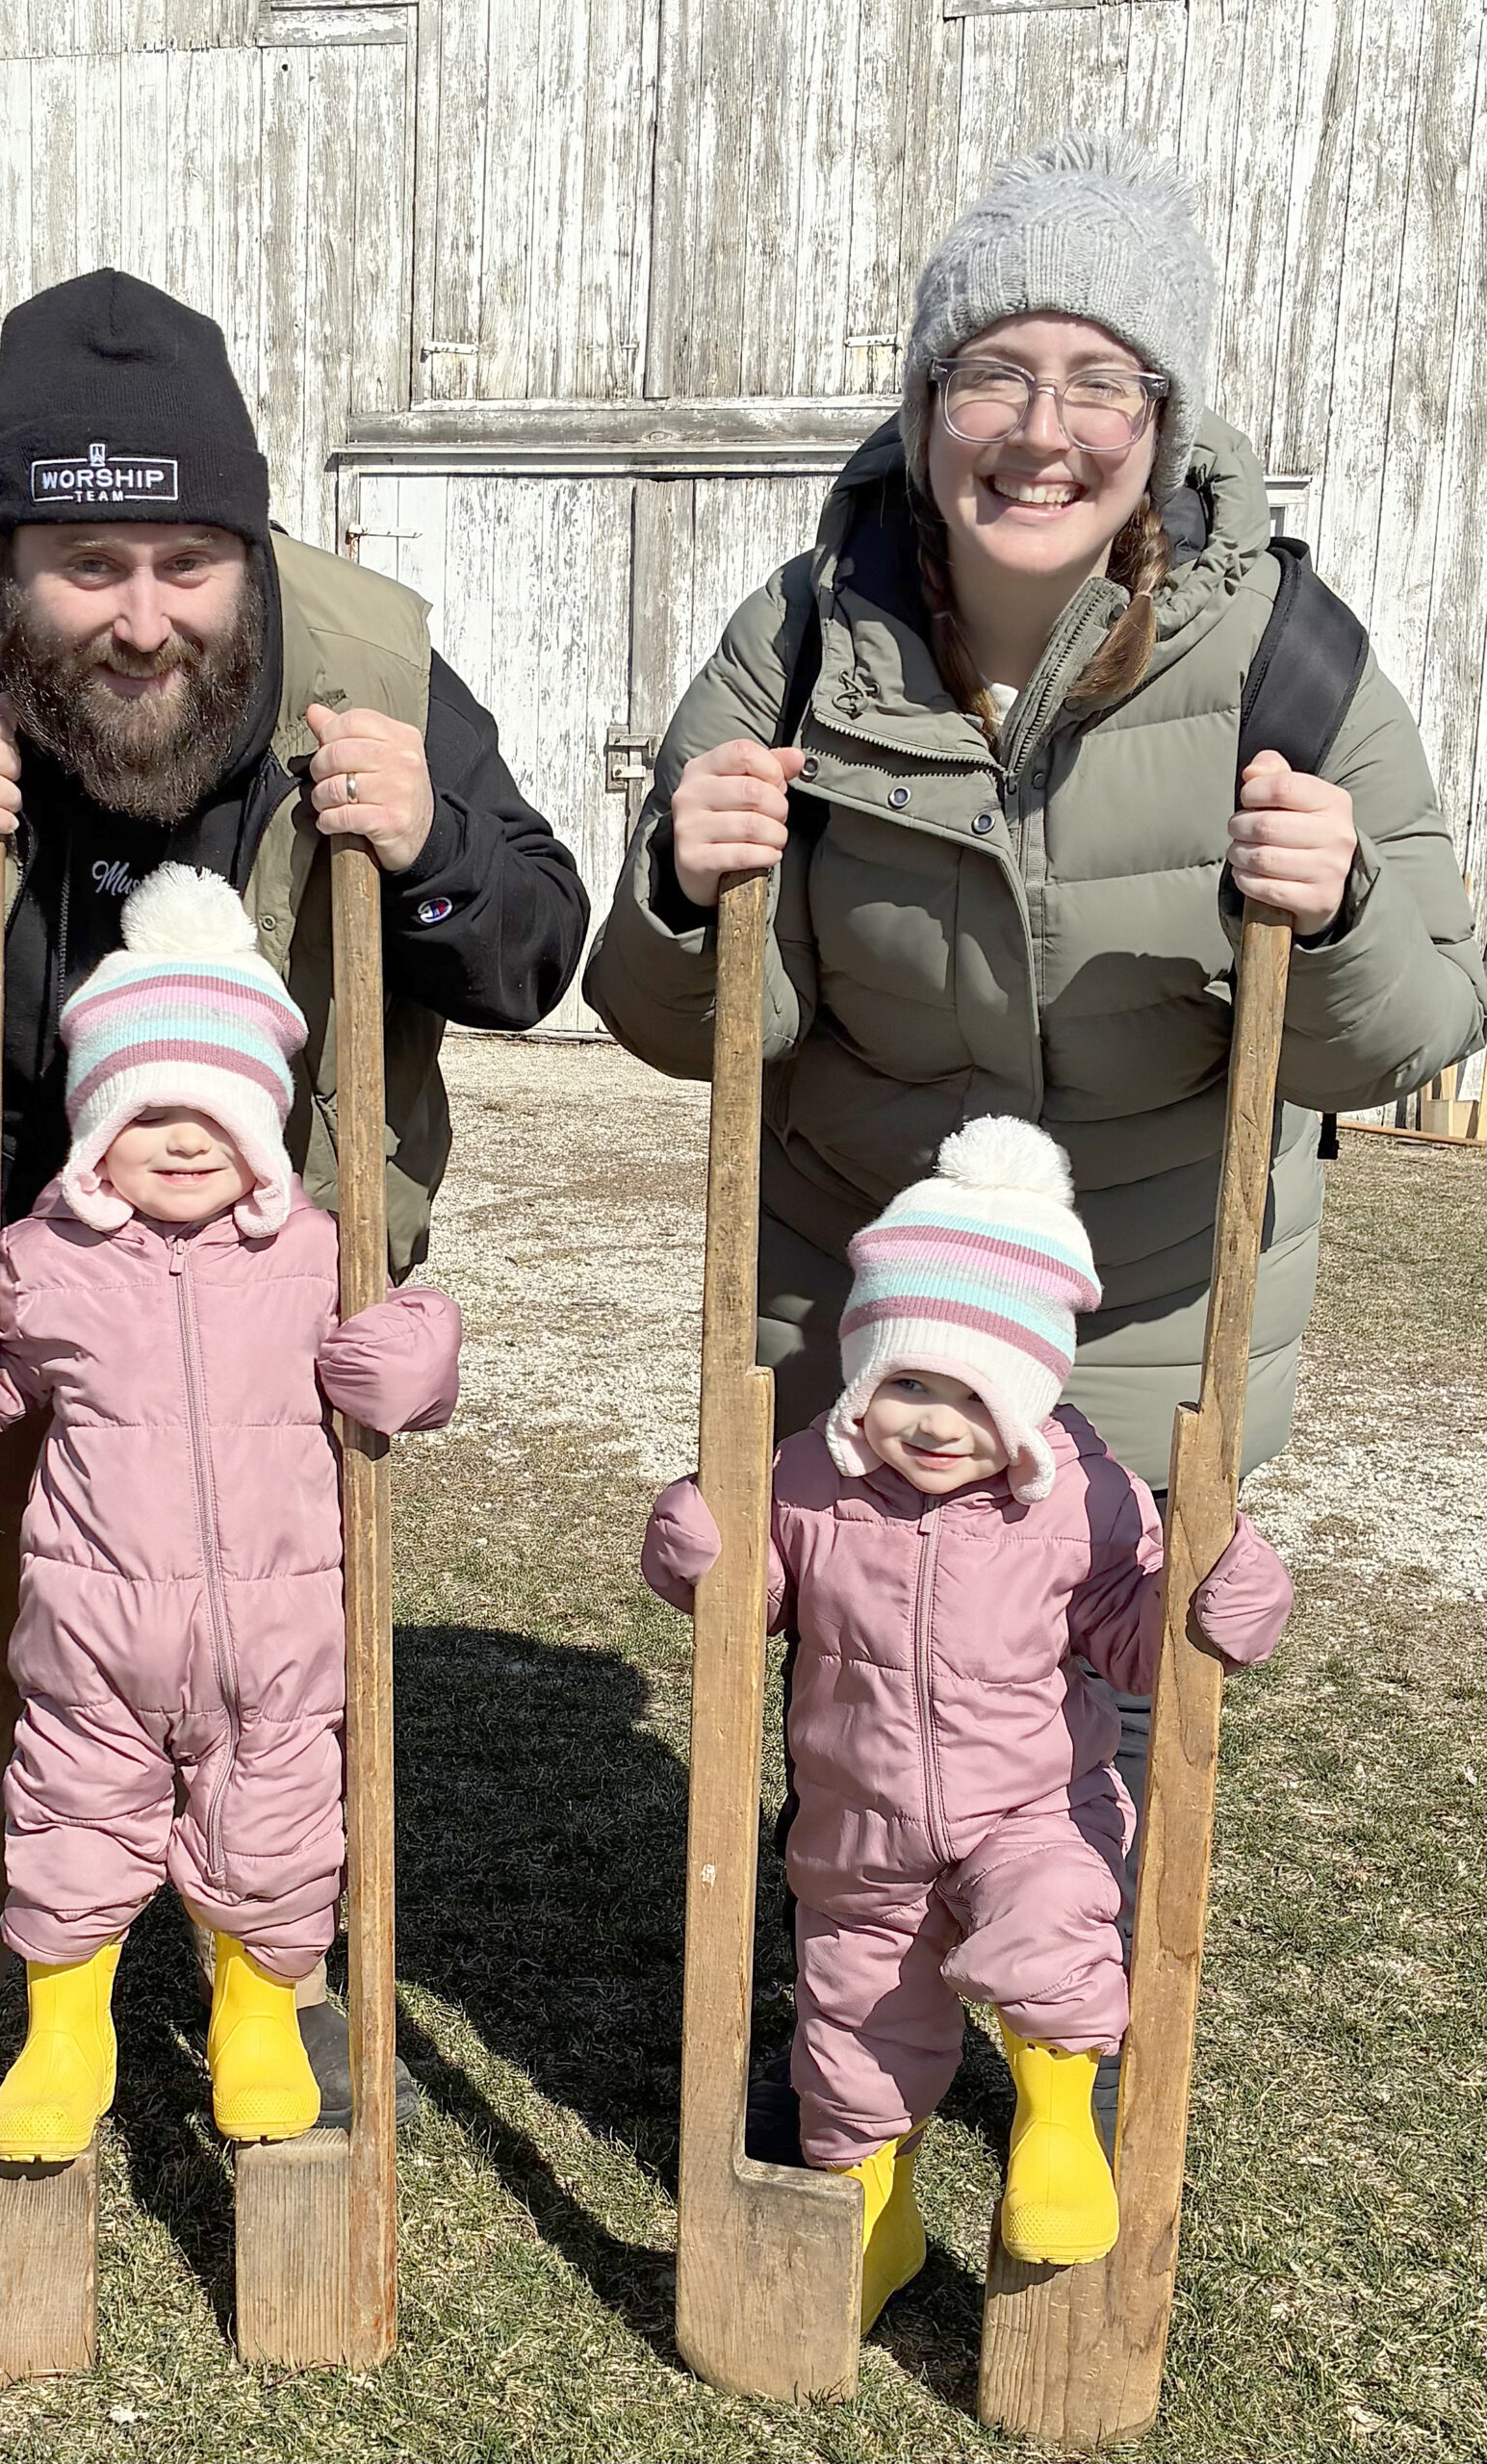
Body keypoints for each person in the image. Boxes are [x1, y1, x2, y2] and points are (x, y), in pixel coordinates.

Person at [584, 130, 1484, 2143]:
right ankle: (856, 2021)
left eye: (1098, 380)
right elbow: (667, 1021)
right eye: (994, 374)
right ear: (924, 415)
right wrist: (682, 882)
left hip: (1153, 1291)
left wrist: (1332, 912)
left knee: (1106, 1718)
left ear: (1162, 421)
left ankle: (1071, 2034)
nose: (1042, 428)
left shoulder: (1294, 663)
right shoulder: (809, 634)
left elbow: (1421, 1015)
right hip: (864, 1268)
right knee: (867, 1676)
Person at [0, 269, 588, 2181]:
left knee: (280, 1629)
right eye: (91, 563)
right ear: (8, 553)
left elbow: (537, 947)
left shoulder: (375, 660)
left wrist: (435, 854)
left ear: (248, 546)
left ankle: (279, 1962)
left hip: (275, 1262)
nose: (146, 612)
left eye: (187, 558)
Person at [641, 1117, 1293, 2327]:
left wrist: (1218, 1603)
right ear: (862, 1373)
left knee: (1054, 1933)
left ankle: (1053, 2125)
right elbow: (744, 1606)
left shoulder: (1087, 1497)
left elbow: (1140, 1641)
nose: (939, 1422)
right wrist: (697, 1548)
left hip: (1032, 1805)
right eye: (909, 1385)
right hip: (857, 1826)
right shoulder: (802, 1480)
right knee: (852, 2034)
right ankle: (877, 2212)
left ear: (1037, 1395)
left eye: (977, 1396)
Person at [0, 866, 461, 2162]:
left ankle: (257, 2017)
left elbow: (409, 1370)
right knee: (72, 1829)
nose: (185, 1139)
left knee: (282, 1834)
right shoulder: (45, 1260)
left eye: (218, 1114)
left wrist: (411, 1353)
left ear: (264, 1127)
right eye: (149, 1115)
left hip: (279, 1638)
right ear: (95, 1131)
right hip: (94, 1641)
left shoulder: (316, 1255)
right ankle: (68, 2032)